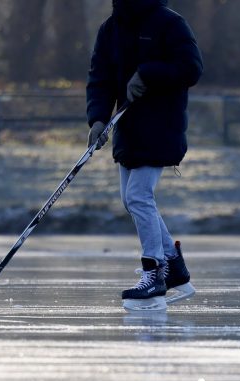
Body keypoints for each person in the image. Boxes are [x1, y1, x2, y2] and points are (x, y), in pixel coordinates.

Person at [87, 0, 203, 311]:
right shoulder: (110, 29)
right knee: (130, 198)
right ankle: (174, 268)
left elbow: (192, 68)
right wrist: (98, 118)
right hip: (128, 128)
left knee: (138, 195)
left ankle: (155, 274)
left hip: (161, 126)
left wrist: (148, 73)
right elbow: (100, 78)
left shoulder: (169, 22)